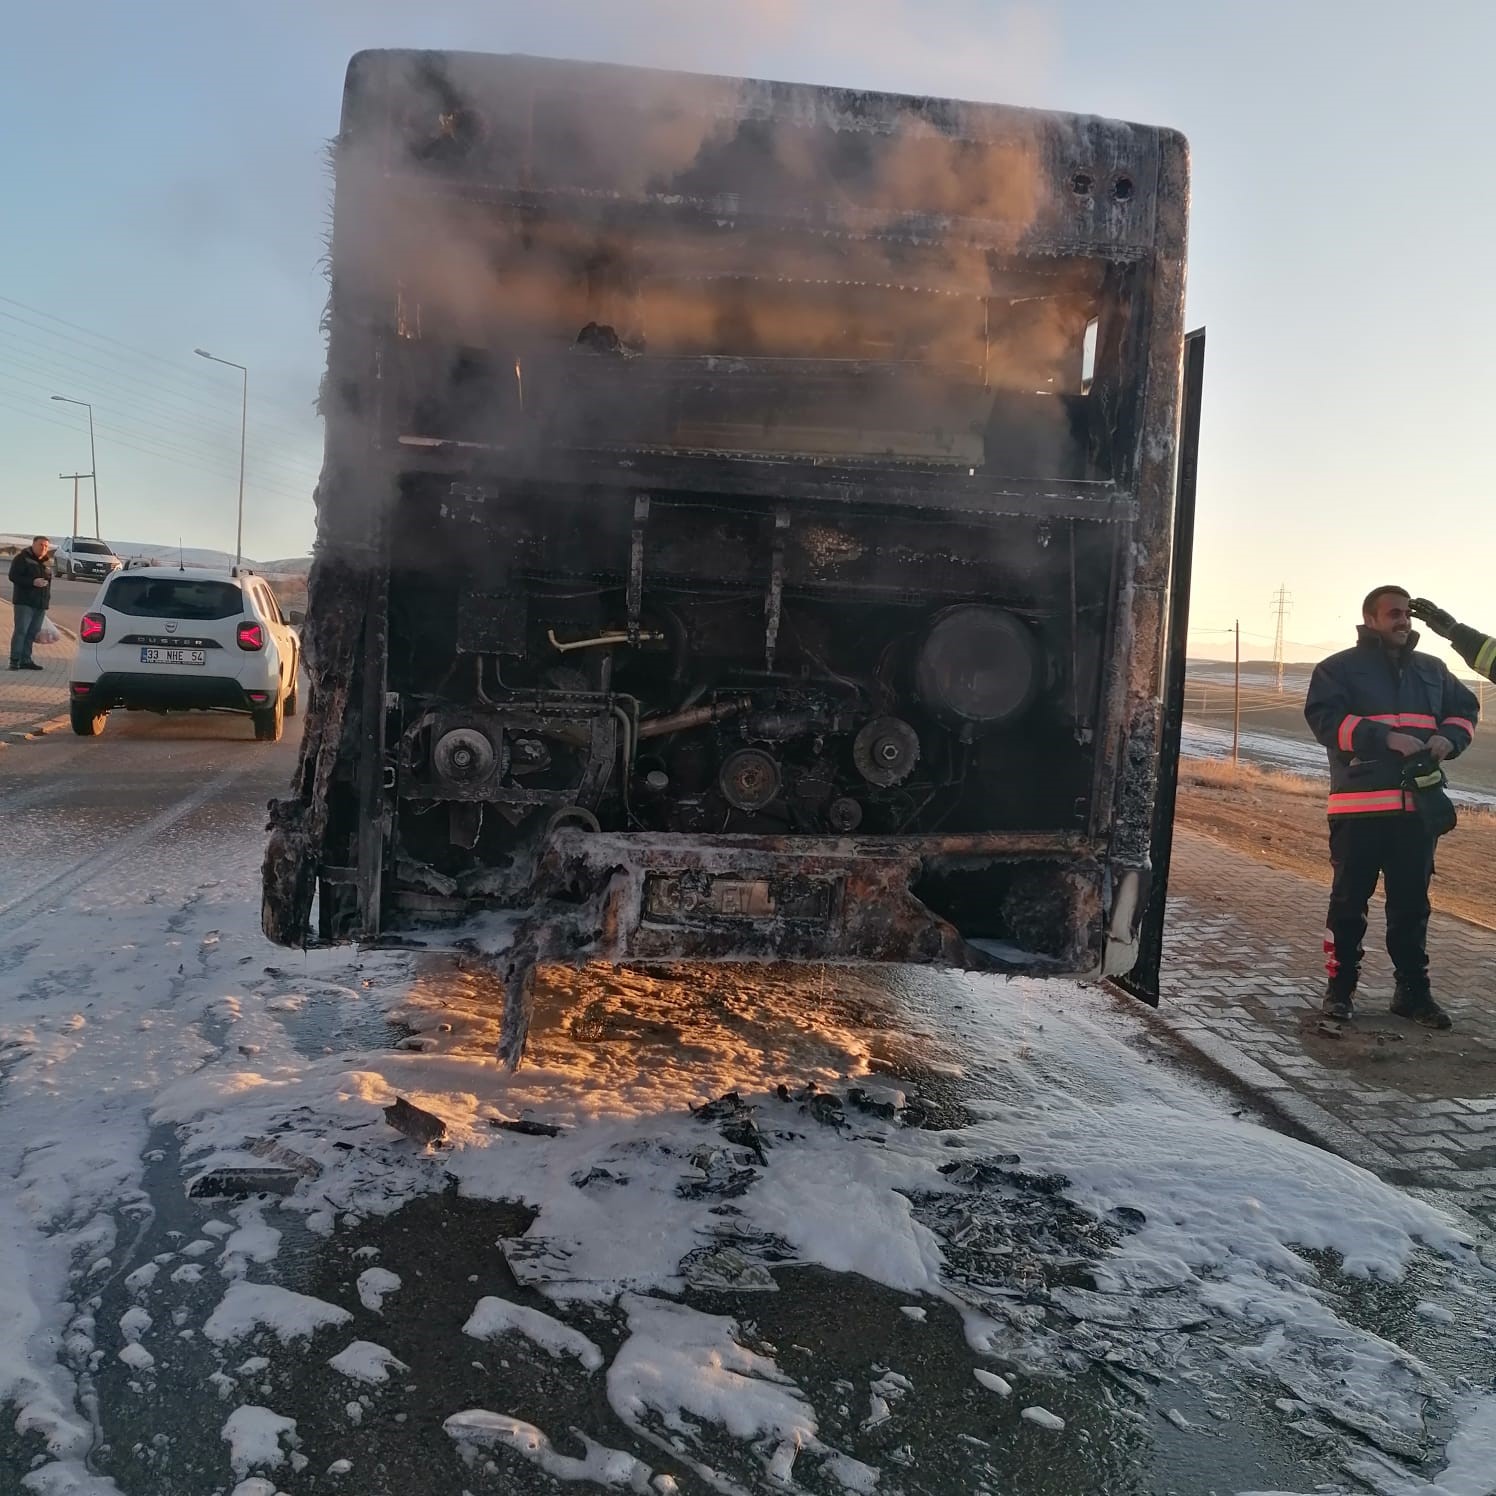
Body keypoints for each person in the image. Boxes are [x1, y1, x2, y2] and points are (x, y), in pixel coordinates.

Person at [1303, 585, 1480, 1028]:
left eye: (1406, 614)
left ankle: (1412, 994)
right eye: (1394, 614)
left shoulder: (1434, 670)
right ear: (1371, 619)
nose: (1404, 621)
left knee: (1411, 907)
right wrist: (1382, 738)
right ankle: (1339, 991)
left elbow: (1467, 709)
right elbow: (1324, 719)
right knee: (1348, 904)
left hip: (1416, 812)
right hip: (1358, 809)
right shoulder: (1337, 669)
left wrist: (1450, 738)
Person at [1409, 597, 1496, 682]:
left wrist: (1455, 631)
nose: (1404, 622)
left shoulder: (1435, 669)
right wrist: (1455, 631)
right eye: (1396, 614)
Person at [8, 535, 53, 671]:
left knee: (32, 633)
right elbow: (13, 576)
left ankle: (26, 660)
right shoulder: (22, 558)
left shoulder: (46, 562)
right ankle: (15, 661)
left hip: (39, 604)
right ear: (33, 545)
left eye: (46, 546)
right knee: (21, 631)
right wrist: (32, 582)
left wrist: (46, 602)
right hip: (24, 602)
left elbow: (48, 583)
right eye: (41, 545)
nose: (43, 548)